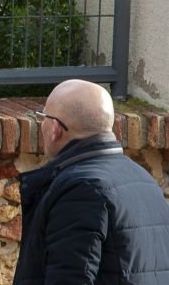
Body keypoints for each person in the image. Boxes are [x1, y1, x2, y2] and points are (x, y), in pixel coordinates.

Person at [13, 79, 169, 284]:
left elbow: (70, 277)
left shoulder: (79, 190)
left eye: (43, 117)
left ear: (55, 129)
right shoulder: (144, 179)